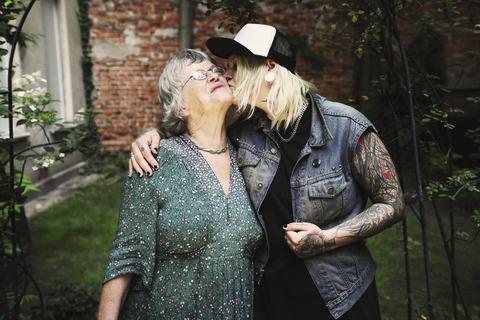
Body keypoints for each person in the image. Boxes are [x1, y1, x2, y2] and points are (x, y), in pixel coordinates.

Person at [129, 24, 405, 320]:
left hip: (342, 300)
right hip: (270, 299)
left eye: (236, 66)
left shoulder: (345, 127)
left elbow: (393, 203)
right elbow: (198, 138)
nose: (226, 75)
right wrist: (151, 135)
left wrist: (328, 238)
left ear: (271, 68)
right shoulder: (244, 133)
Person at [98, 49, 263, 320]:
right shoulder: (154, 160)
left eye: (215, 71)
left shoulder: (252, 157)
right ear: (180, 107)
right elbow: (126, 257)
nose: (213, 76)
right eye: (199, 75)